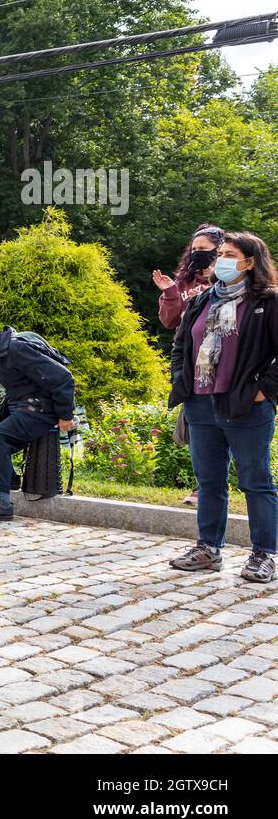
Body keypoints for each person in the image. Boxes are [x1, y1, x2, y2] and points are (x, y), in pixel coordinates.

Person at [168, 231, 278, 584]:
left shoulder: (269, 302)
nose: (223, 260)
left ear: (250, 261)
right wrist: (180, 381)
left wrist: (264, 391)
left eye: (231, 254)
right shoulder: (202, 301)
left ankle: (264, 553)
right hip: (201, 404)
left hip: (245, 405)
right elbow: (181, 345)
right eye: (221, 255)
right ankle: (208, 549)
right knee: (209, 480)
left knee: (255, 481)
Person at [0, 325, 77, 521]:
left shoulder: (16, 349)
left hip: (39, 409)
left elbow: (63, 378)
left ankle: (2, 503)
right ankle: (8, 477)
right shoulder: (1, 351)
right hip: (19, 404)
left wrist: (65, 415)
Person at [154, 224, 224, 507]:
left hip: (225, 359)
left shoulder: (231, 280)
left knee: (226, 424)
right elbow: (170, 322)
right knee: (198, 428)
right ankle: (202, 487)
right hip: (194, 363)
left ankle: (220, 485)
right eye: (193, 249)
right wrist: (171, 292)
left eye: (203, 249)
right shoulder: (184, 283)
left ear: (219, 250)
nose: (197, 253)